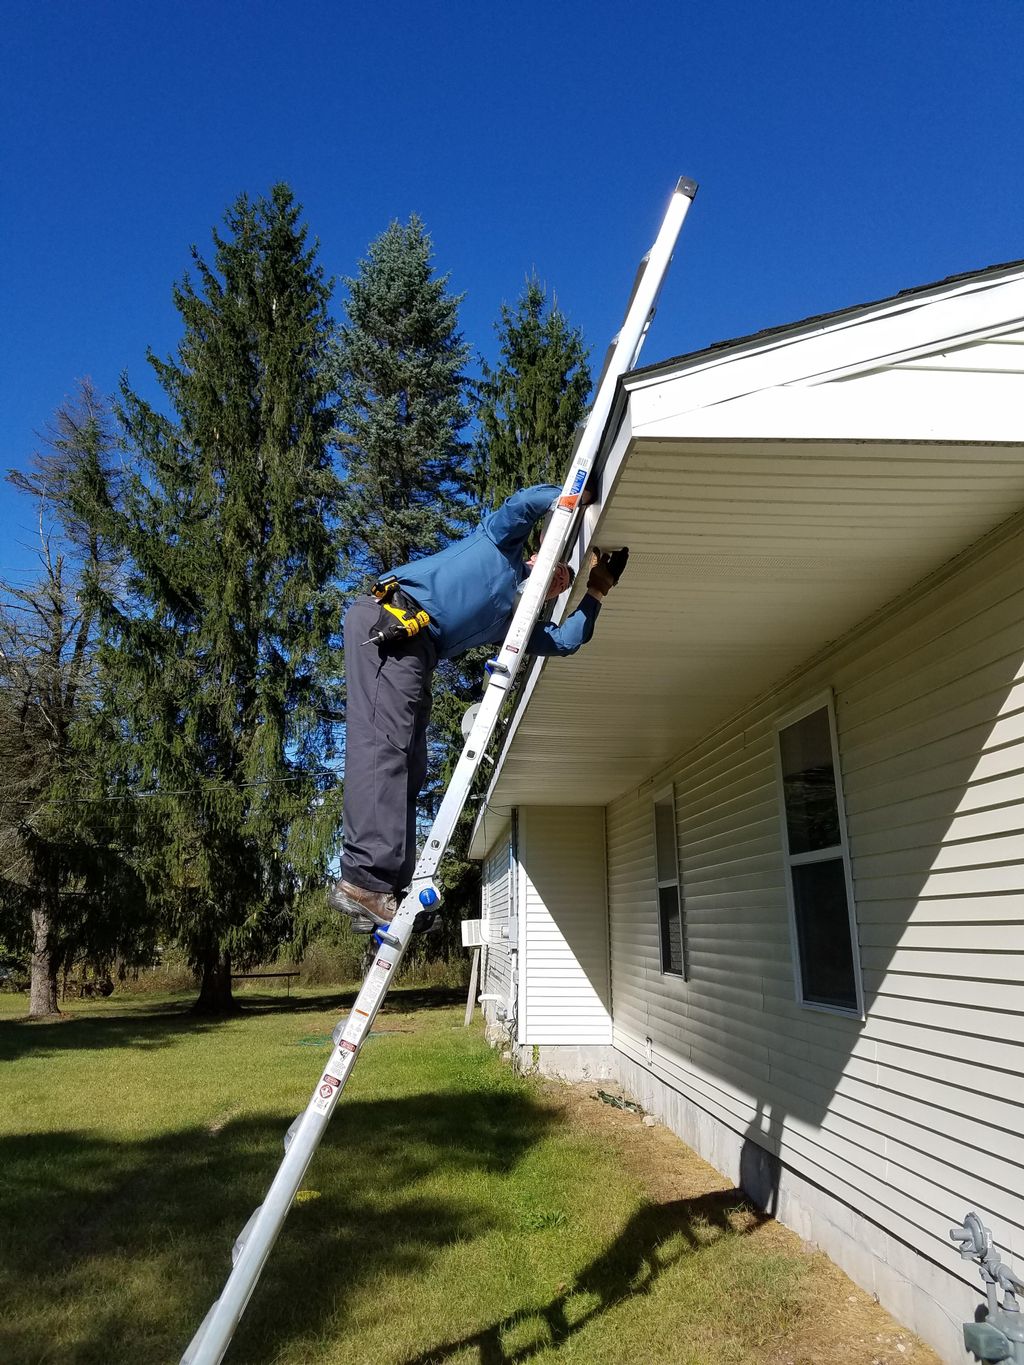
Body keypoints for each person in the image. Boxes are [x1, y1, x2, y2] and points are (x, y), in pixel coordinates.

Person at [331, 483, 627, 932]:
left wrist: (596, 590)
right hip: (390, 626)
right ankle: (363, 883)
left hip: (416, 653)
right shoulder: (499, 545)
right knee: (383, 750)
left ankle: (387, 889)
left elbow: (565, 640)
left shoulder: (511, 625)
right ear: (534, 561)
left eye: (562, 583)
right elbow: (521, 506)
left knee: (409, 766)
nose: (556, 580)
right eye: (553, 571)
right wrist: (573, 497)